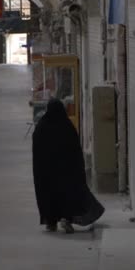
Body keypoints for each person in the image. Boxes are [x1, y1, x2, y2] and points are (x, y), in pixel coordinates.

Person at [32, 99, 105, 234]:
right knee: (68, 196)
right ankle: (67, 218)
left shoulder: (41, 127)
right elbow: (76, 152)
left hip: (47, 175)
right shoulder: (67, 126)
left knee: (49, 197)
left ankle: (51, 222)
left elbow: (36, 152)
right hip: (66, 173)